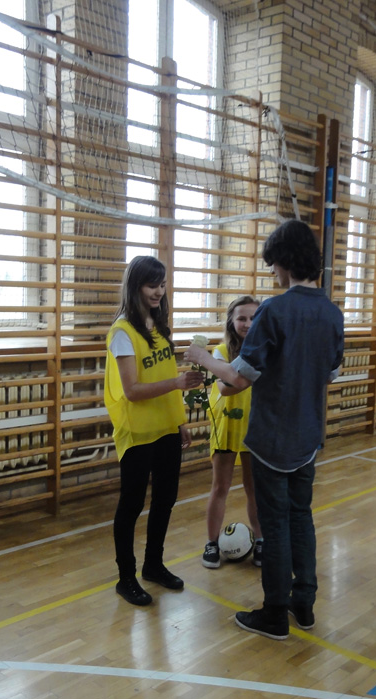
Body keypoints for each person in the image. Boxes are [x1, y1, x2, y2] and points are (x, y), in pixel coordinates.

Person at [186, 219, 344, 640]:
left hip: (273, 438)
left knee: (275, 525)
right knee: (301, 518)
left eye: (273, 263)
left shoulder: (274, 310)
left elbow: (238, 378)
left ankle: (274, 612)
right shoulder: (332, 313)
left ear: (285, 261)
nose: (273, 272)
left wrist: (203, 358)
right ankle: (303, 604)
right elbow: (329, 374)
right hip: (308, 437)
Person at [104, 255, 203, 607]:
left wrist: (180, 422)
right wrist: (177, 383)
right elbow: (132, 390)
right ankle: (126, 577)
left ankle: (153, 565)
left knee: (165, 499)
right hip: (137, 432)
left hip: (165, 429)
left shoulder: (159, 326)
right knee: (131, 505)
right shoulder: (123, 332)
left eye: (162, 284)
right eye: (151, 285)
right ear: (135, 287)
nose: (159, 291)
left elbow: (166, 377)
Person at [202, 295, 264, 569]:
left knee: (254, 489)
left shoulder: (264, 350)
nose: (247, 323)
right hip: (226, 424)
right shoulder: (220, 352)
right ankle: (211, 543)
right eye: (241, 318)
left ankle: (260, 540)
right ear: (231, 321)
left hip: (255, 425)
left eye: (253, 318)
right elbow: (226, 385)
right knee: (220, 486)